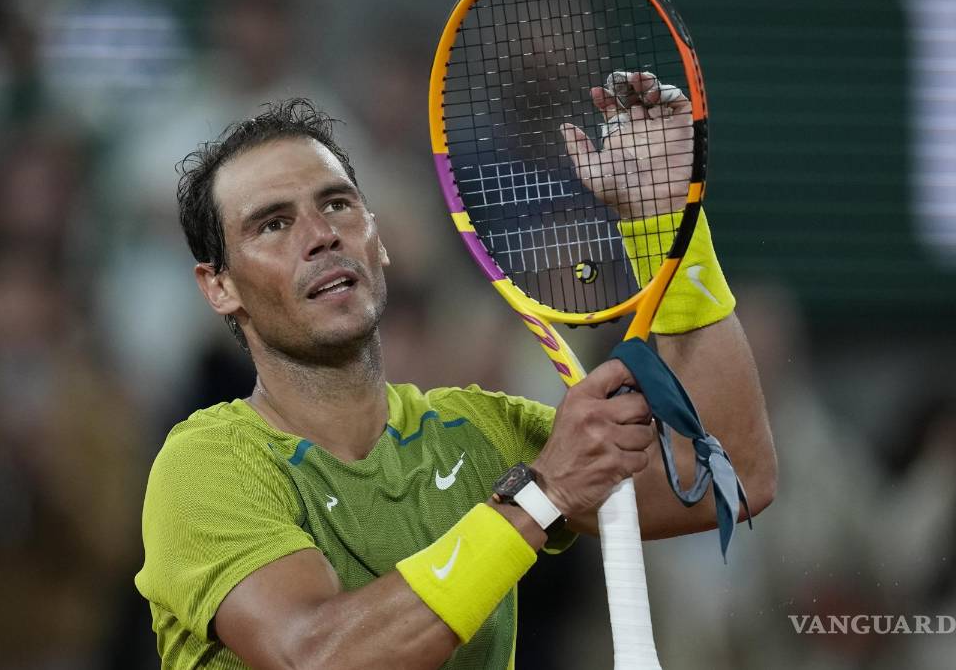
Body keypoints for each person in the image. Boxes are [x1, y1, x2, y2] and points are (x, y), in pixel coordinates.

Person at [135, 82, 776, 669]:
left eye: (337, 204)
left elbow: (733, 477)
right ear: (218, 286)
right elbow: (316, 656)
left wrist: (667, 224)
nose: (322, 235)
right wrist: (539, 498)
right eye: (273, 224)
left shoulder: (480, 432)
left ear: (379, 240)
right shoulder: (207, 467)